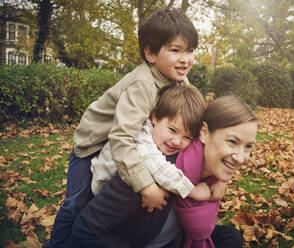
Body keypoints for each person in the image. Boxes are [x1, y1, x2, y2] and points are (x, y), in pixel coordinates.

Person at [45, 8, 199, 248]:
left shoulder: (179, 80)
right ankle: (56, 245)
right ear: (150, 53)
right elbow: (121, 138)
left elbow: (193, 108)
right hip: (93, 143)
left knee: (95, 203)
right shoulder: (142, 85)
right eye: (175, 50)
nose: (185, 59)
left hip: (121, 142)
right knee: (76, 201)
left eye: (189, 50)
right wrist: (146, 185)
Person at [65, 95, 258, 248]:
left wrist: (220, 181)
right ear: (205, 133)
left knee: (230, 238)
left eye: (248, 146)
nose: (241, 158)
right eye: (232, 142)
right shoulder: (151, 174)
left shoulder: (210, 176)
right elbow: (85, 230)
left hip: (170, 242)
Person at [91, 84, 217, 205]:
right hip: (102, 185)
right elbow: (158, 167)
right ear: (155, 117)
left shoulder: (161, 132)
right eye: (172, 130)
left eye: (187, 137)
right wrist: (191, 190)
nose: (177, 142)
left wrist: (220, 180)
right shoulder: (141, 134)